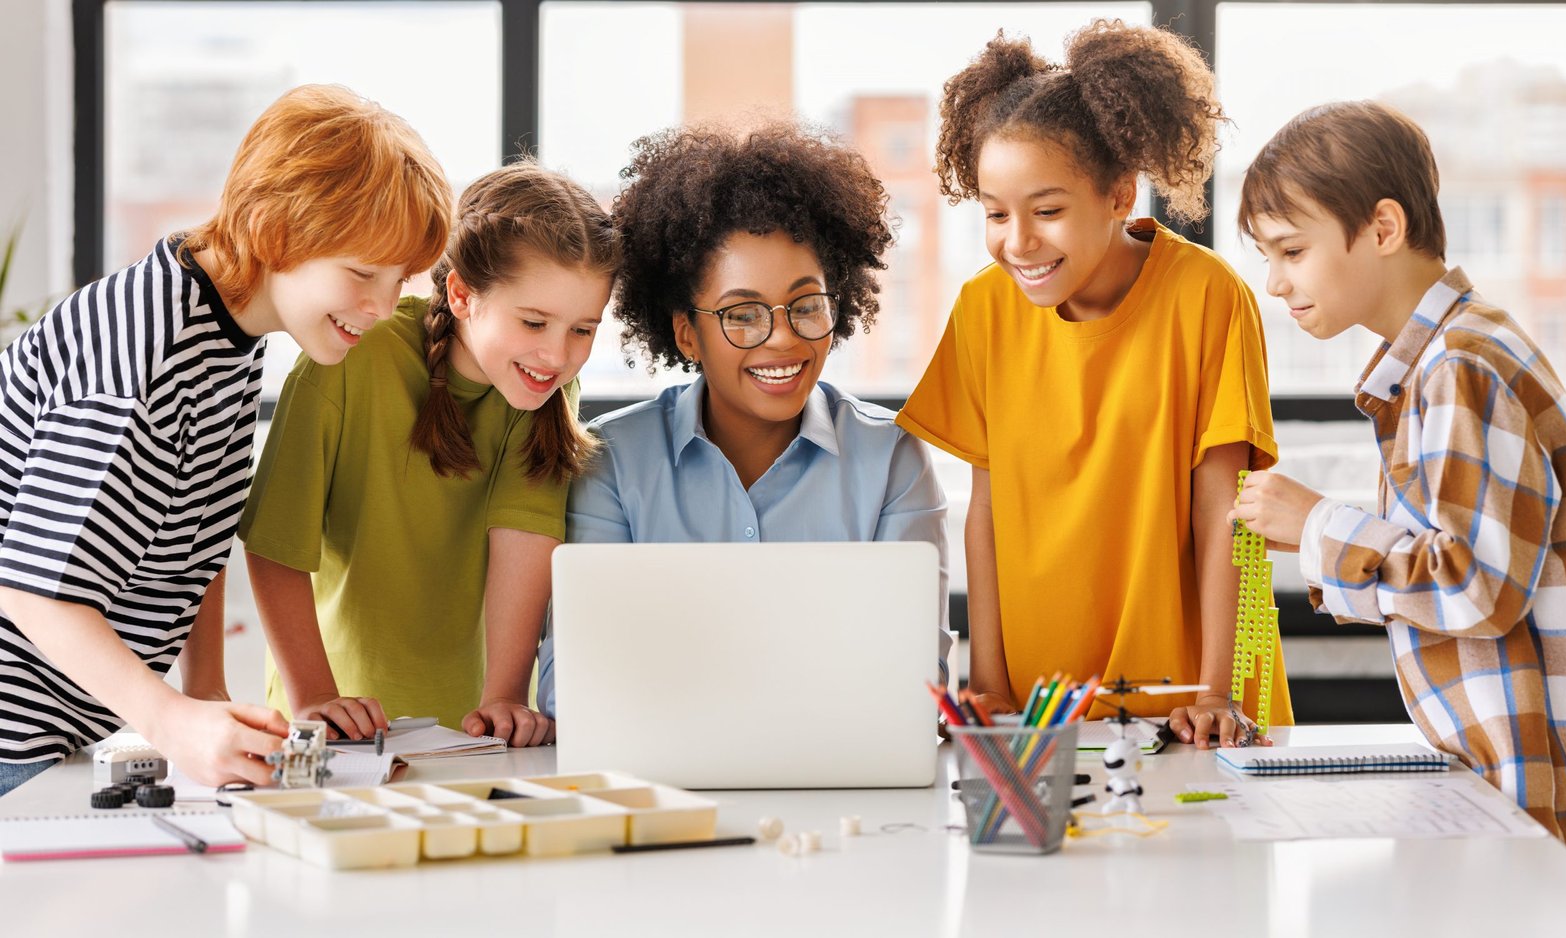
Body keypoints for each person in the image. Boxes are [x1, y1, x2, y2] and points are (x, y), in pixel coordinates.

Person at [0, 84, 453, 795]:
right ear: (277, 228)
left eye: (399, 280)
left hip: (55, 736)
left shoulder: (229, 331)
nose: (382, 307)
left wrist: (205, 686)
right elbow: (34, 592)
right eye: (363, 273)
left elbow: (196, 531)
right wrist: (172, 722)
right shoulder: (142, 356)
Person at [897, 21, 1289, 747]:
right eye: (994, 213)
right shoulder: (983, 309)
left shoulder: (1207, 296)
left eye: (1047, 211)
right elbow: (985, 512)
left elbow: (1224, 517)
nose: (1018, 241)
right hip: (1035, 708)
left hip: (1188, 704)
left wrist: (1215, 691)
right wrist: (986, 682)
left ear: (1118, 194)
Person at [1231, 100, 1566, 859]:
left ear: (1384, 230)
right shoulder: (1446, 358)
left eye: (1291, 251)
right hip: (1507, 778)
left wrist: (1318, 527)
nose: (1273, 282)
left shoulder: (1461, 367)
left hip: (1541, 795)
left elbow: (1477, 587)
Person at [535, 124, 949, 717]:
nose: (782, 337)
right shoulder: (611, 463)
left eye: (806, 306)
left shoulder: (892, 462)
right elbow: (572, 685)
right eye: (742, 314)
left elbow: (915, 682)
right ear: (687, 333)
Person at [240, 161, 618, 747]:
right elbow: (276, 544)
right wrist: (314, 696)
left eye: (582, 330)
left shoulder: (546, 390)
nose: (556, 354)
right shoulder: (350, 359)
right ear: (463, 294)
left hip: (471, 733)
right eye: (535, 321)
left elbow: (524, 537)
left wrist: (505, 699)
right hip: (335, 721)